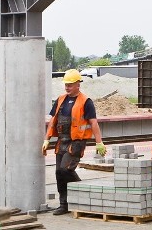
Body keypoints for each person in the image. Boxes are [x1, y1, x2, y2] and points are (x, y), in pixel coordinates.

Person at [41, 69, 105, 215]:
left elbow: (94, 123)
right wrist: (46, 139)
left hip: (77, 142)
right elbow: (53, 121)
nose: (67, 87)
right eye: (66, 84)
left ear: (78, 84)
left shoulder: (86, 102)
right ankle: (64, 204)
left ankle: (83, 191)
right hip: (62, 141)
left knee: (66, 169)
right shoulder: (61, 100)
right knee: (58, 172)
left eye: (70, 85)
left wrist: (99, 142)